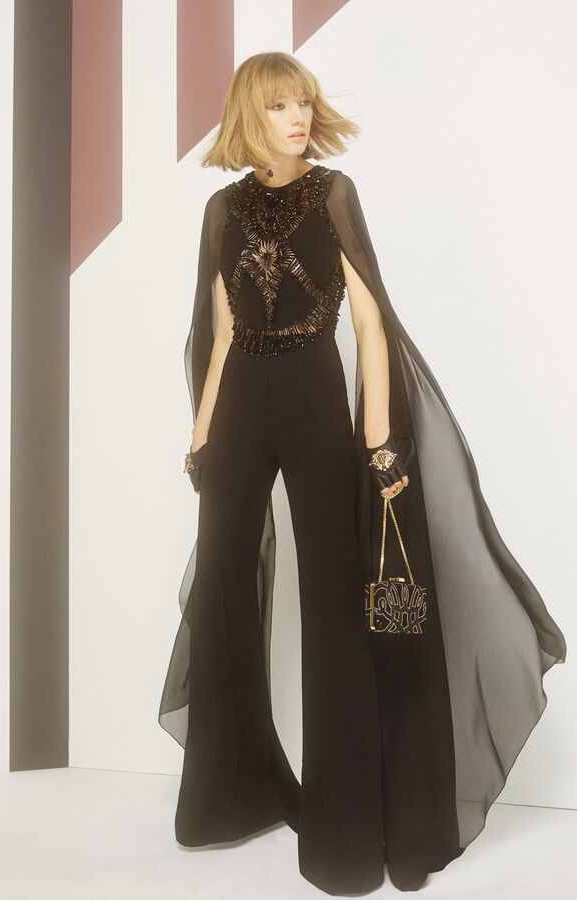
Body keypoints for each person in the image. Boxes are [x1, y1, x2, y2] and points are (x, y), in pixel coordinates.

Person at [158, 51, 566, 894]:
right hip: (236, 420)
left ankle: (344, 829)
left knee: (336, 607)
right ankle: (230, 798)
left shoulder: (334, 193)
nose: (298, 118)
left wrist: (381, 439)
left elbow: (372, 325)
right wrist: (200, 434)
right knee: (226, 592)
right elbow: (222, 336)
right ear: (250, 115)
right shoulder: (219, 210)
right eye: (280, 106)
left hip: (315, 412)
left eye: (303, 103)